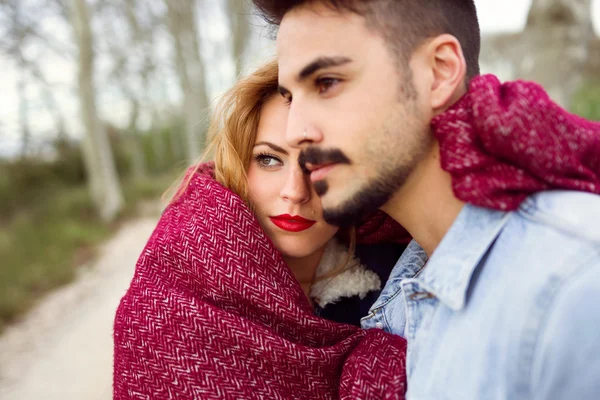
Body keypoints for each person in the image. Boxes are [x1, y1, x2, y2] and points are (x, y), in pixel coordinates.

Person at [252, 1, 600, 399]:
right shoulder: (401, 299)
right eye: (291, 97)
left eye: (327, 83)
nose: (296, 130)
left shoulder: (574, 284)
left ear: (439, 72)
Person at [113, 60, 409, 399]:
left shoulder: (409, 277)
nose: (295, 191)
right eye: (269, 159)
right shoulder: (171, 300)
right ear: (238, 163)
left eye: (320, 162)